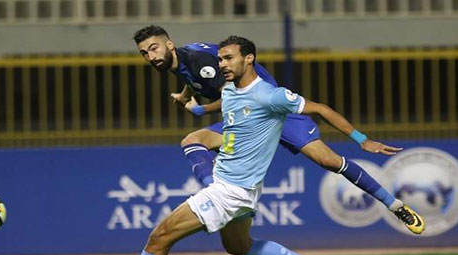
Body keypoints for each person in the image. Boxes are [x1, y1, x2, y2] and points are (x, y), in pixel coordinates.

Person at [68, 35, 411, 255]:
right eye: (220, 60)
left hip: (230, 190)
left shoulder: (269, 95)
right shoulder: (229, 90)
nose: (221, 65)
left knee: (160, 237)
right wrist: (198, 107)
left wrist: (363, 140)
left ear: (248, 59)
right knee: (239, 245)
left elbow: (319, 108)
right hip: (244, 190)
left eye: (228, 59)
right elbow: (220, 98)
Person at [130, 25, 424, 235]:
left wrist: (200, 110)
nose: (150, 56)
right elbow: (196, 78)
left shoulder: (202, 60)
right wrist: (185, 94)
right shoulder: (182, 59)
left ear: (169, 44)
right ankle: (214, 189)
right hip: (247, 119)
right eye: (144, 53)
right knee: (193, 141)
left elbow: (233, 97)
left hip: (274, 112)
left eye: (154, 48)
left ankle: (396, 205)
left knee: (329, 161)